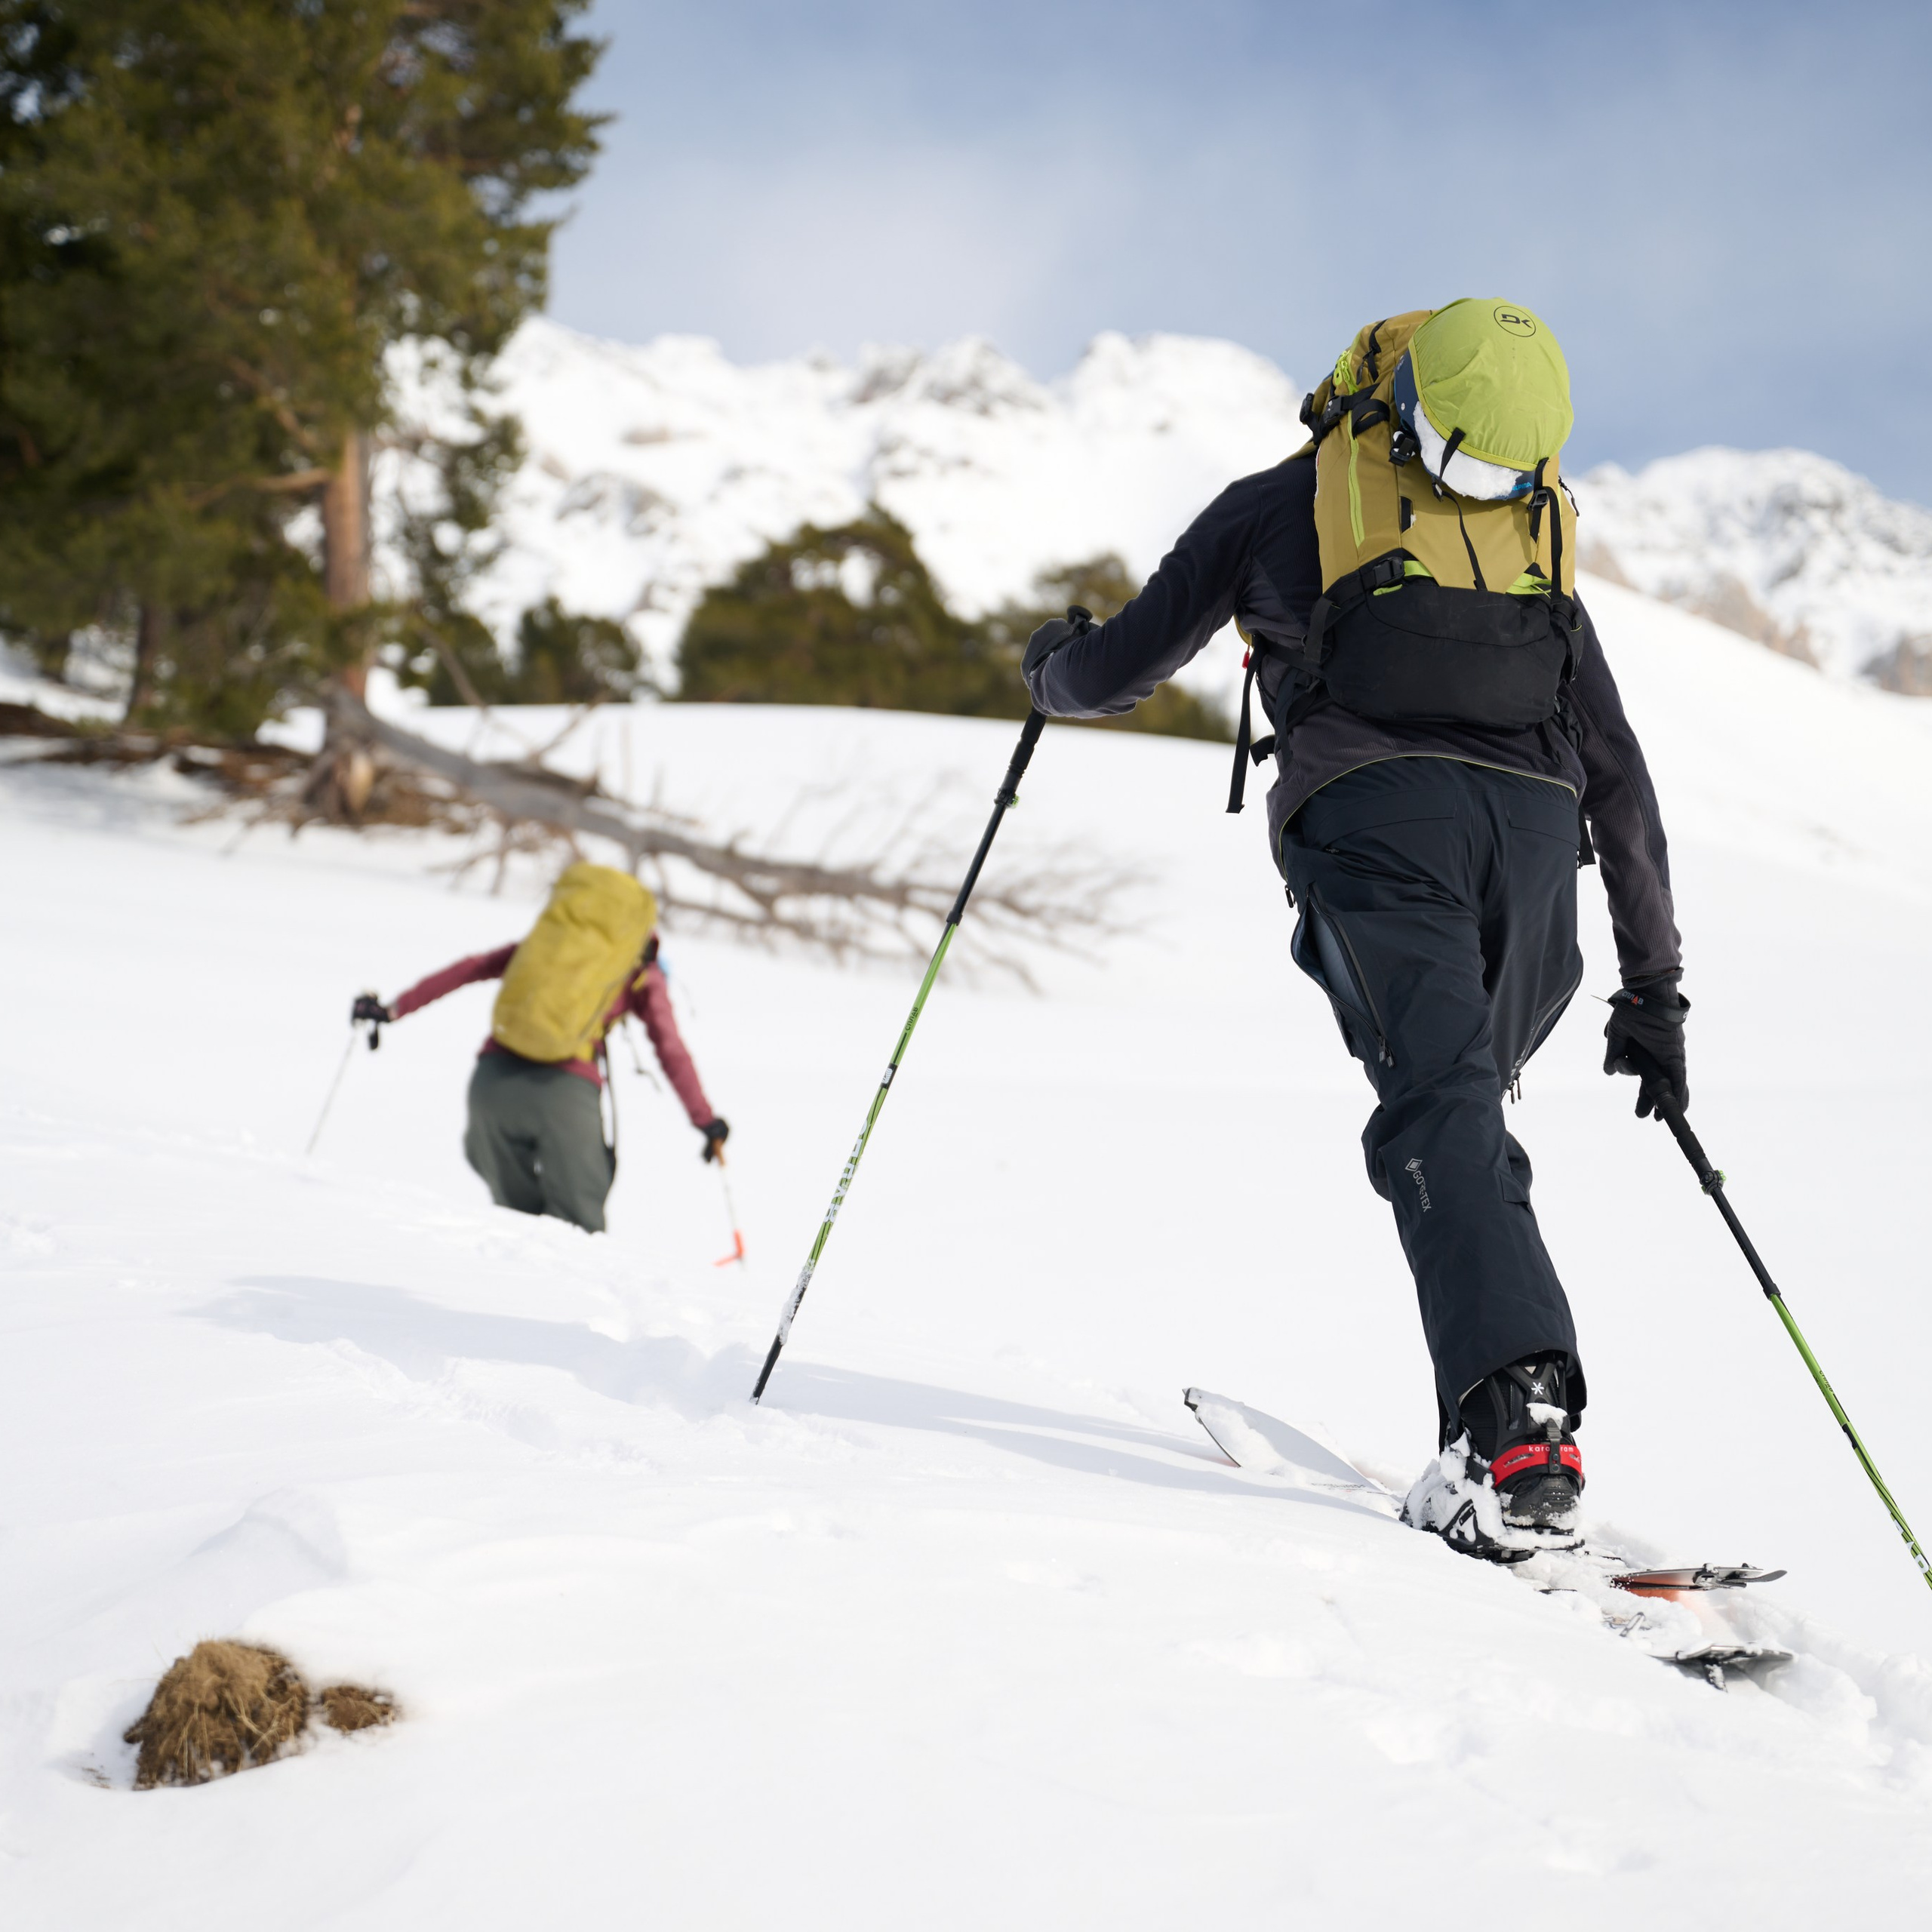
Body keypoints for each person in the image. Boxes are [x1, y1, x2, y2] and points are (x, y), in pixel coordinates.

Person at [1022, 300, 1689, 1558]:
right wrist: (1654, 988)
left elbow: (1112, 673)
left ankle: (1513, 1441)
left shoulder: (1282, 506)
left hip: (1384, 833)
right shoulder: (1528, 540)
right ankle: (1506, 1426)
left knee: (1443, 1114)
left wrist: (1050, 668)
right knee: (1461, 1115)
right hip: (1534, 862)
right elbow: (1621, 776)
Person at [353, 912, 728, 1235]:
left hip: (492, 1087)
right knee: (578, 1236)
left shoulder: (548, 944)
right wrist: (705, 1120)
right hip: (565, 1096)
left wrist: (391, 1010)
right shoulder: (640, 968)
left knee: (519, 1233)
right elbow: (671, 1050)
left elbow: (471, 968)